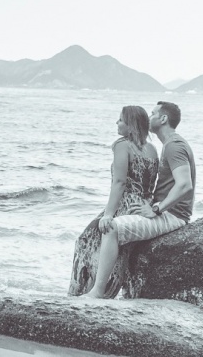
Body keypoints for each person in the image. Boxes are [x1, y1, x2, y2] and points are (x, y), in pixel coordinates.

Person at [81, 100, 196, 299]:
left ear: (163, 119)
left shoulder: (173, 146)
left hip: (173, 215)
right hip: (168, 211)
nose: (148, 118)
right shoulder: (164, 146)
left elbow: (185, 185)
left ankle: (97, 292)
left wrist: (156, 209)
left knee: (112, 228)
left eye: (153, 114)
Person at [68, 105, 159, 297]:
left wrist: (108, 214)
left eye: (120, 120)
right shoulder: (152, 149)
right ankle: (106, 292)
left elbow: (119, 182)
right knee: (120, 250)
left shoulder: (122, 145)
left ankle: (83, 293)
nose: (117, 123)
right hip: (142, 206)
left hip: (125, 205)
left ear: (131, 125)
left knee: (86, 240)